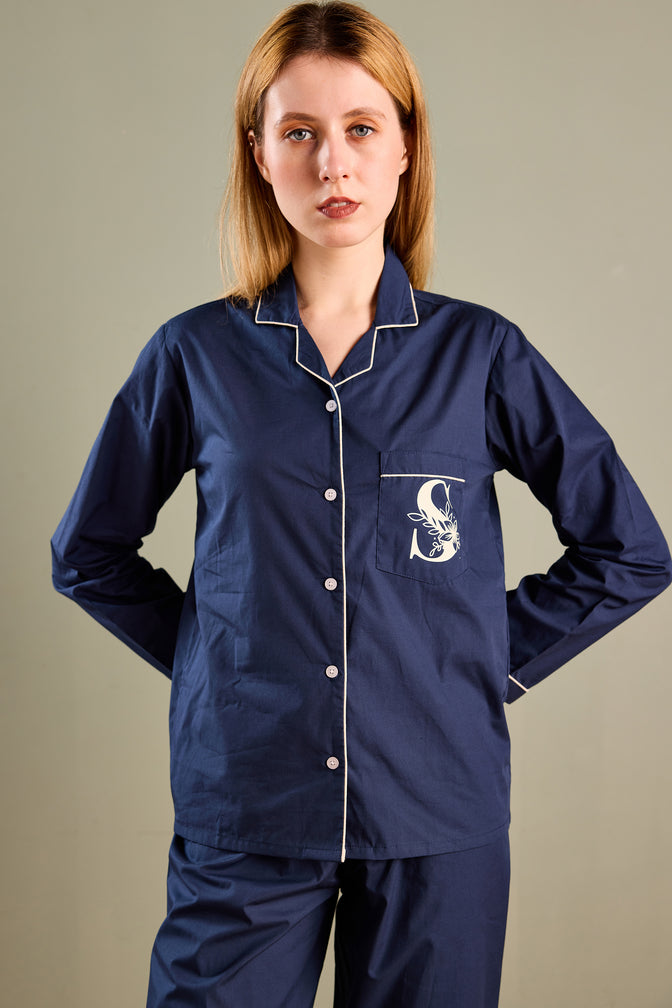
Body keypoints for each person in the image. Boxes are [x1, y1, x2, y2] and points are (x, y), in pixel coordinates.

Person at [50, 2, 671, 1005]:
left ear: (405, 146)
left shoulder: (481, 355)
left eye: (360, 127)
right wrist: (223, 666)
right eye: (299, 132)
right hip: (247, 804)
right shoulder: (193, 356)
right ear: (259, 154)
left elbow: (629, 549)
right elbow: (89, 553)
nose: (332, 162)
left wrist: (481, 664)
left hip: (438, 807)